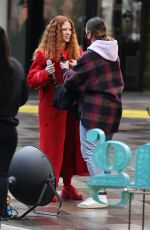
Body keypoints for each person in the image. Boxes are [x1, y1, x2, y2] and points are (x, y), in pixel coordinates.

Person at [60, 16, 124, 208]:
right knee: (102, 152)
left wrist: (65, 69)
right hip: (113, 107)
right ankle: (102, 193)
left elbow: (73, 82)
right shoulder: (114, 52)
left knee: (89, 151)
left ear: (88, 34)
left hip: (94, 109)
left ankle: (99, 196)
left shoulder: (90, 55)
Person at [27, 15, 88, 202]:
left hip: (72, 109)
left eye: (70, 29)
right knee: (51, 149)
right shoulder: (43, 53)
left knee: (71, 147)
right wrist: (45, 73)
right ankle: (50, 186)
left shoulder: (77, 52)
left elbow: (87, 75)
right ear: (56, 32)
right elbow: (31, 79)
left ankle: (68, 186)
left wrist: (76, 68)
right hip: (52, 110)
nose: (68, 33)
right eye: (64, 30)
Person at [0, 26, 28, 219]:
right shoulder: (16, 66)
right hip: (9, 129)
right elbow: (24, 97)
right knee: (2, 173)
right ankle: (2, 210)